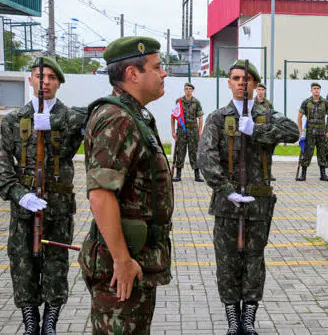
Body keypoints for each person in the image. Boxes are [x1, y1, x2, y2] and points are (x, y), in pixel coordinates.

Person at [78, 36, 174, 334]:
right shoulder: (118, 118)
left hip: (135, 259)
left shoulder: (133, 114)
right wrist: (121, 260)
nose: (164, 73)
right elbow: (100, 193)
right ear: (133, 74)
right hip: (121, 265)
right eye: (157, 67)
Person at [197, 60, 298, 335]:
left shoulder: (267, 115)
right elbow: (205, 158)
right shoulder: (218, 118)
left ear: (255, 84)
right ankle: (233, 318)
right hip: (227, 204)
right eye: (237, 78)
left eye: (248, 79)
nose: (242, 83)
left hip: (258, 204)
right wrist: (225, 188)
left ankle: (249, 318)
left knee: (254, 260)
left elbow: (293, 132)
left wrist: (257, 129)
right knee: (227, 260)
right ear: (229, 83)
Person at [0, 56, 86, 335]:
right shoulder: (13, 120)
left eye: (51, 77)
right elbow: (1, 163)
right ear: (30, 80)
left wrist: (54, 120)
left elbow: (91, 114)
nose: (45, 82)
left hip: (59, 208)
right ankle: (30, 323)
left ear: (59, 82)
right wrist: (18, 193)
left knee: (56, 265)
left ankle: (50, 322)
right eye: (40, 77)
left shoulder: (70, 117)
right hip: (24, 208)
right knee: (23, 264)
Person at [296, 82, 328, 181]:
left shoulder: (325, 102)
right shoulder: (306, 102)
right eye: (314, 88)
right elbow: (299, 116)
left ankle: (323, 174)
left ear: (320, 90)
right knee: (307, 152)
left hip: (321, 131)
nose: (316, 90)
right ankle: (303, 174)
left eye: (318, 88)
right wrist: (300, 131)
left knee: (322, 152)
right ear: (311, 90)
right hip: (310, 131)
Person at [171, 82, 204, 182]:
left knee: (194, 152)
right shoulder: (179, 101)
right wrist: (173, 131)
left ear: (192, 90)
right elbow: (173, 116)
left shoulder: (196, 102)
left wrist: (200, 131)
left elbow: (200, 117)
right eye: (186, 89)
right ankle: (178, 174)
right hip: (181, 130)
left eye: (190, 89)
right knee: (180, 151)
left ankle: (197, 175)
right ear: (184, 90)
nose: (188, 90)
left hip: (193, 131)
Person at [254, 82, 277, 181]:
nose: (261, 92)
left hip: (266, 132)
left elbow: (272, 116)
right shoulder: (252, 102)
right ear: (256, 90)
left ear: (265, 91)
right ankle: (255, 173)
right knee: (255, 153)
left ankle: (268, 172)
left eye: (262, 90)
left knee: (267, 154)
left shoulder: (268, 104)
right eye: (259, 89)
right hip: (255, 132)